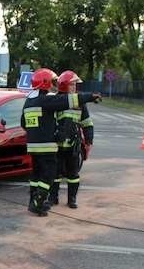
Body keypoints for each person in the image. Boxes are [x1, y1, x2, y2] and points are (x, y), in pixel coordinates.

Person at [21, 68, 100, 216]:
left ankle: (33, 201)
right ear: (45, 83)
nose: (53, 84)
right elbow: (69, 100)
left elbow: (24, 123)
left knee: (36, 175)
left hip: (33, 146)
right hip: (48, 146)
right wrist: (90, 96)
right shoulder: (47, 100)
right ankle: (38, 204)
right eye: (51, 81)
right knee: (49, 175)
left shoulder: (29, 102)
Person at [48, 70, 94, 208]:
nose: (75, 87)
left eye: (75, 85)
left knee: (73, 174)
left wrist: (89, 141)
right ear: (63, 86)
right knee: (55, 174)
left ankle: (72, 199)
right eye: (72, 85)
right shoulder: (56, 101)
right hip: (58, 145)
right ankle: (53, 197)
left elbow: (87, 123)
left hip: (74, 146)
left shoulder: (80, 103)